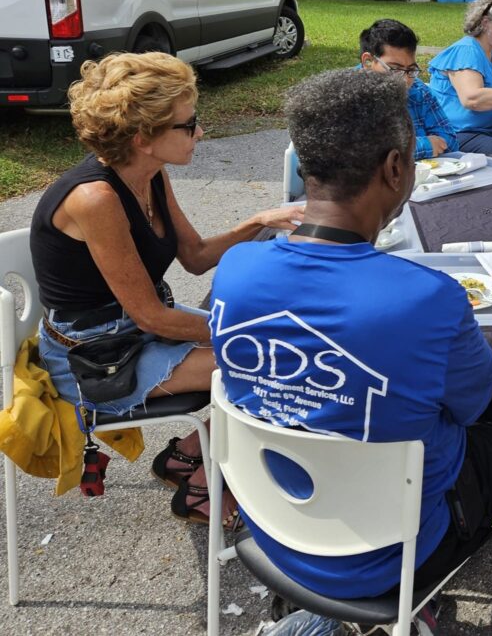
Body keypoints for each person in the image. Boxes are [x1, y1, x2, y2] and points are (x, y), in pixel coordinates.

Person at [209, 69, 492, 601]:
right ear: (395, 167)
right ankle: (435, 586)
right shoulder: (427, 297)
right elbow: (472, 408)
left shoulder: (236, 267)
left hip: (273, 527)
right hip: (395, 558)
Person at [29, 52, 302, 526]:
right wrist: (251, 336)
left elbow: (194, 256)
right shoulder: (96, 198)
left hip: (131, 333)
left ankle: (186, 456)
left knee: (274, 344)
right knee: (273, 365)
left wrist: (261, 221)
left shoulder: (148, 174)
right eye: (188, 124)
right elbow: (152, 316)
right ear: (143, 138)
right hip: (93, 357)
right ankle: (199, 491)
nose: (199, 133)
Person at [428, 0, 492, 154]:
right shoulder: (466, 50)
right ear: (485, 23)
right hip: (458, 135)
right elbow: (472, 98)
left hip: (487, 132)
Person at [358, 19, 458, 160]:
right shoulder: (345, 96)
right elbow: (365, 155)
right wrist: (424, 145)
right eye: (394, 69)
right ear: (368, 62)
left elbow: (450, 141)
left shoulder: (419, 91)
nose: (405, 79)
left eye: (411, 69)